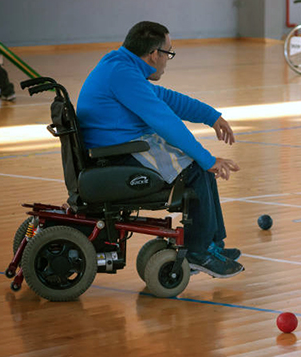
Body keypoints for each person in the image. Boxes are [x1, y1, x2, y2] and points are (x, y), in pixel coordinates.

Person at [76, 21, 244, 279]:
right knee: (198, 171)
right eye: (168, 52)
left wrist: (211, 116)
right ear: (154, 54)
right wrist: (208, 159)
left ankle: (212, 244)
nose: (168, 60)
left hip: (120, 147)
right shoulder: (122, 74)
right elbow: (165, 121)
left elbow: (167, 99)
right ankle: (198, 252)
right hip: (118, 153)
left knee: (200, 166)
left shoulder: (120, 66)